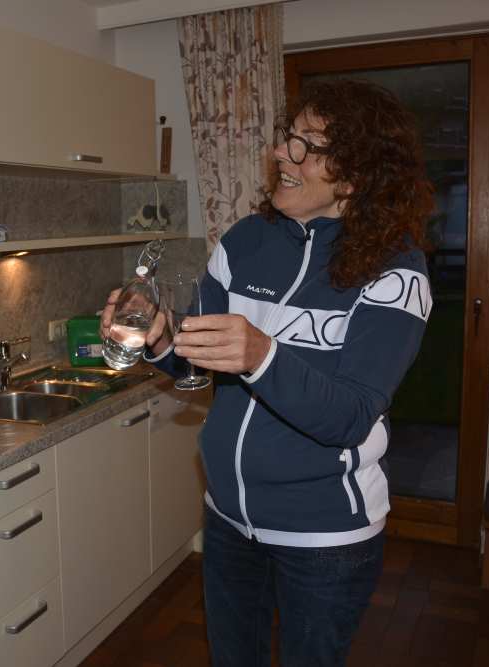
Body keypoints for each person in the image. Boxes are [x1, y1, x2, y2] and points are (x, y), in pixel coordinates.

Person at [102, 79, 434, 666]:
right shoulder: (246, 242)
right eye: (287, 138)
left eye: (308, 145)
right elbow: (195, 355)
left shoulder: (396, 272)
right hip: (228, 518)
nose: (282, 153)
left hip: (324, 536)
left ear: (355, 176)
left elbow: (350, 416)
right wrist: (157, 334)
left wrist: (263, 355)